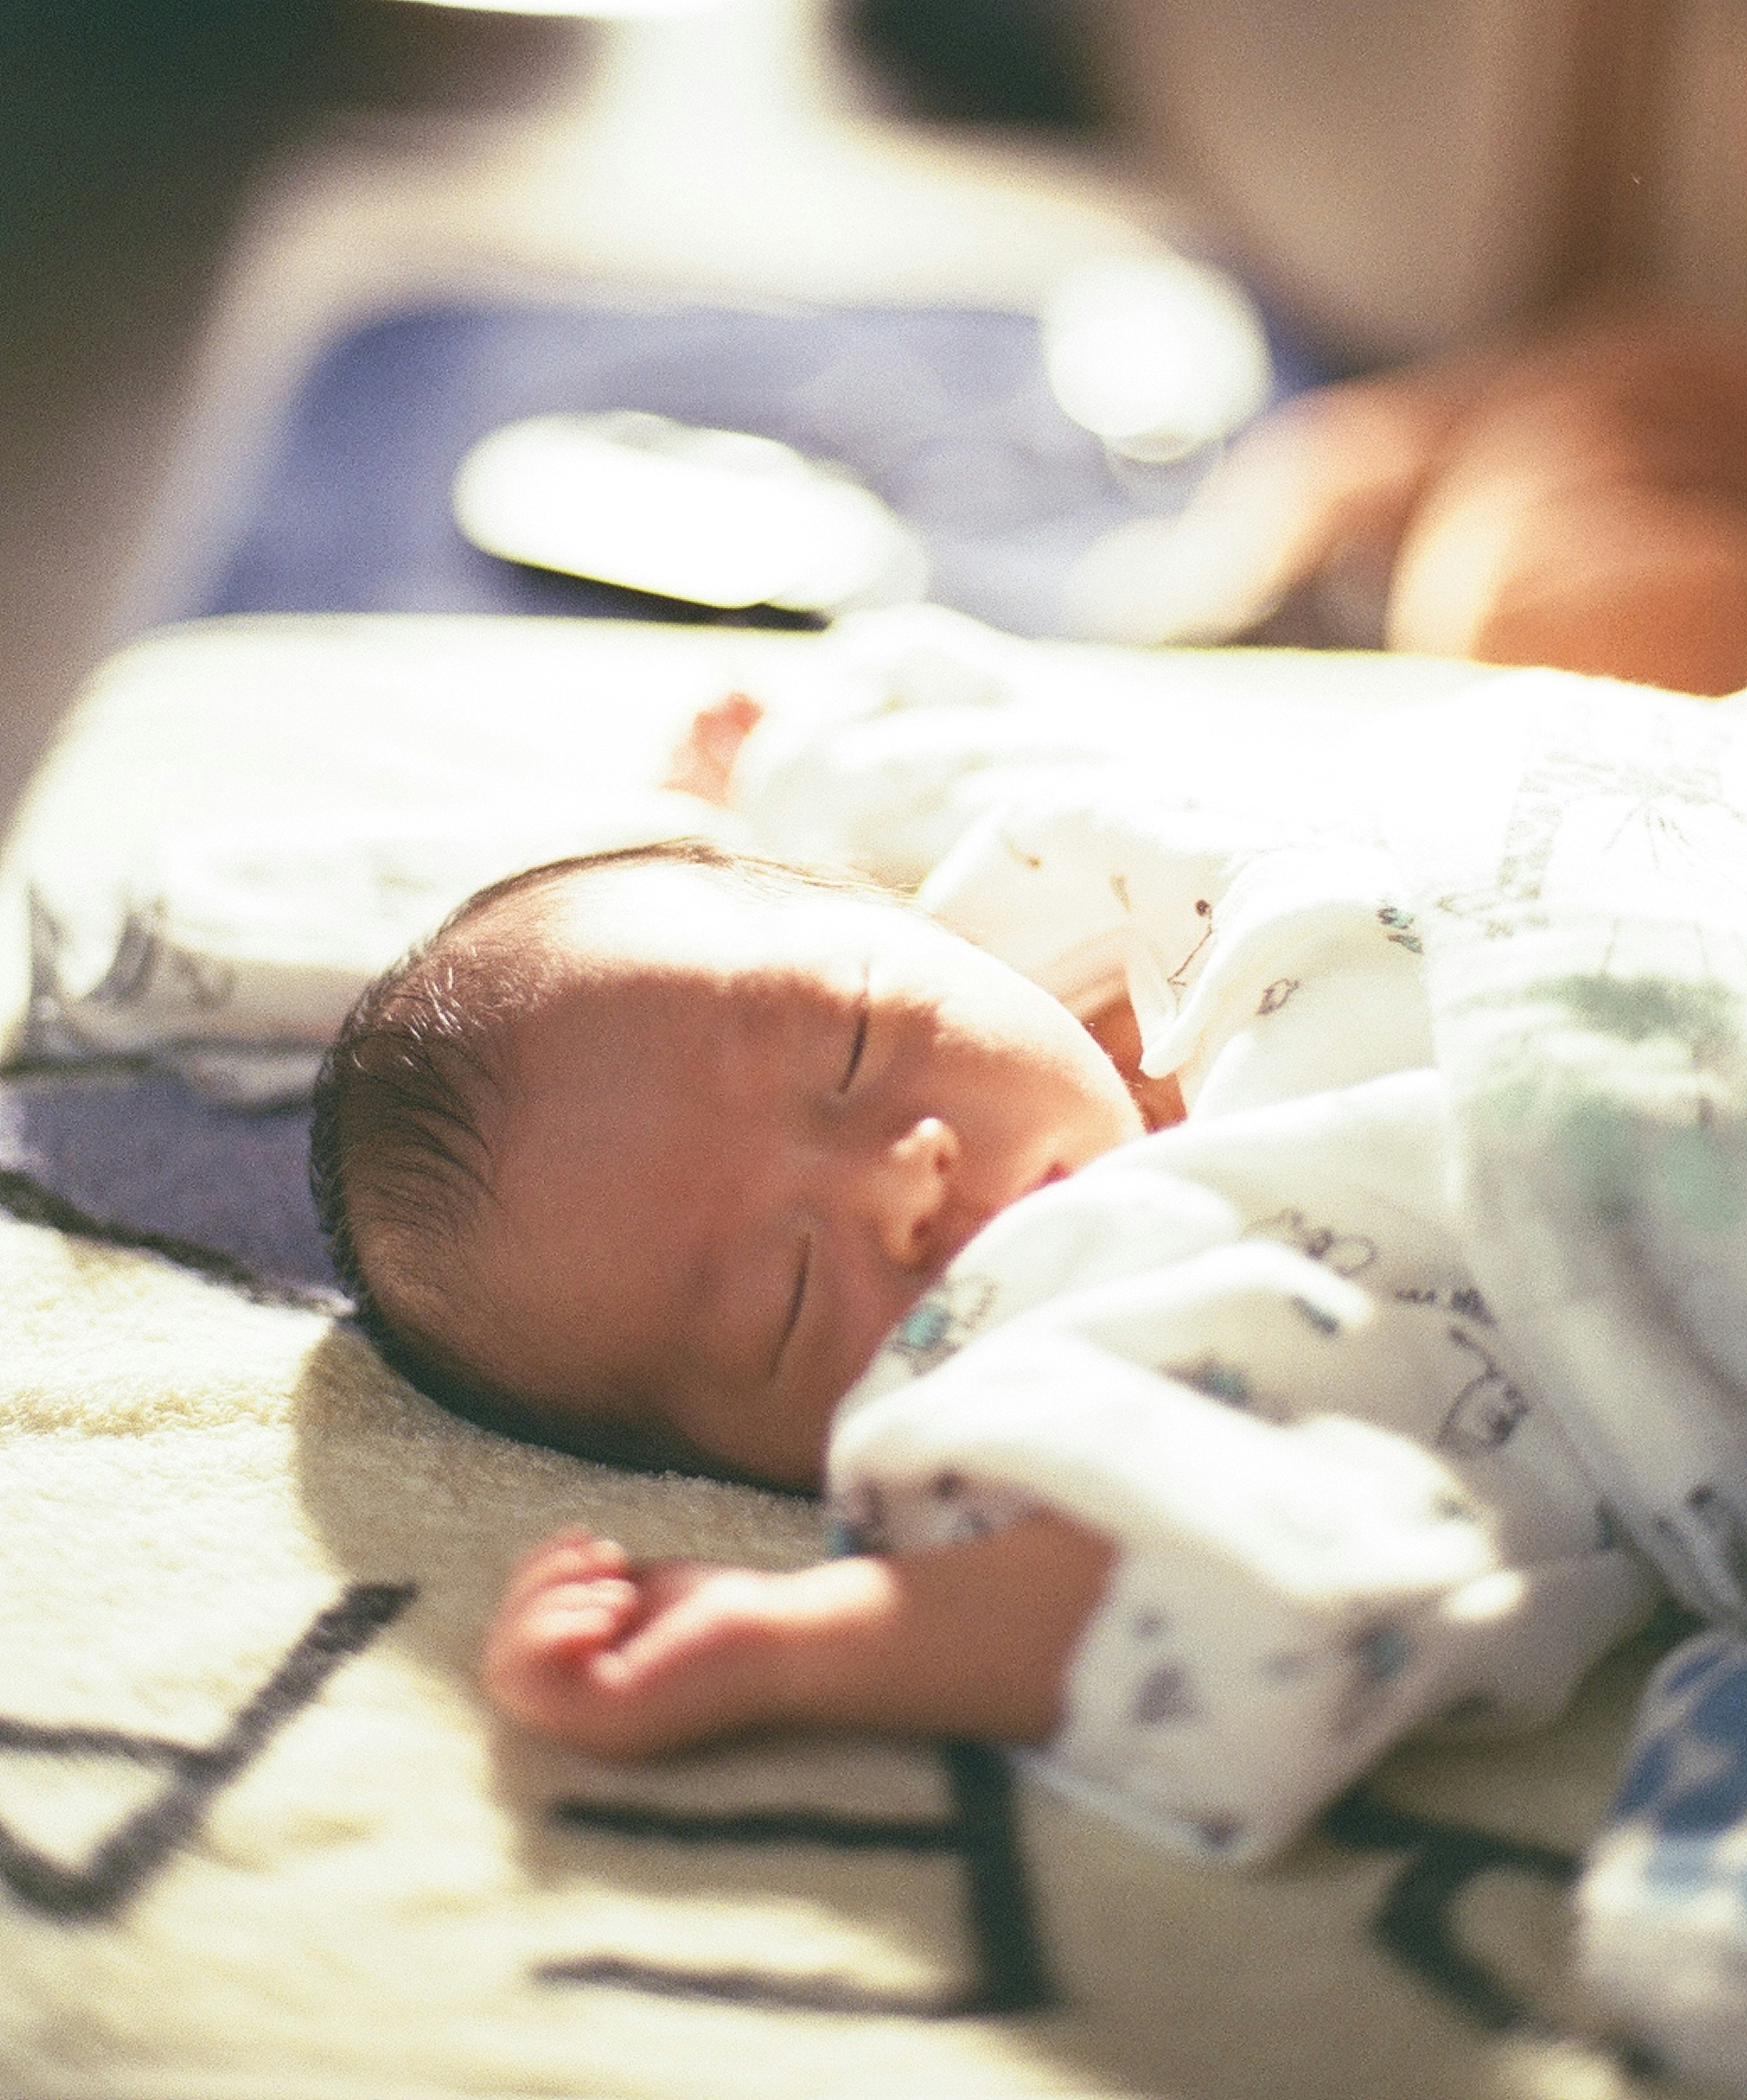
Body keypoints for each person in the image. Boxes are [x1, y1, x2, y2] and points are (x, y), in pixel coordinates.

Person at [309, 654, 1657, 1863]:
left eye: (848, 1044)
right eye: (787, 1297)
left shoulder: (1059, 878)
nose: (906, 1179)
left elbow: (953, 763)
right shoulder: (1139, 1342)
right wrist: (806, 1645)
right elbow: (1236, 1585)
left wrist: (790, 768)